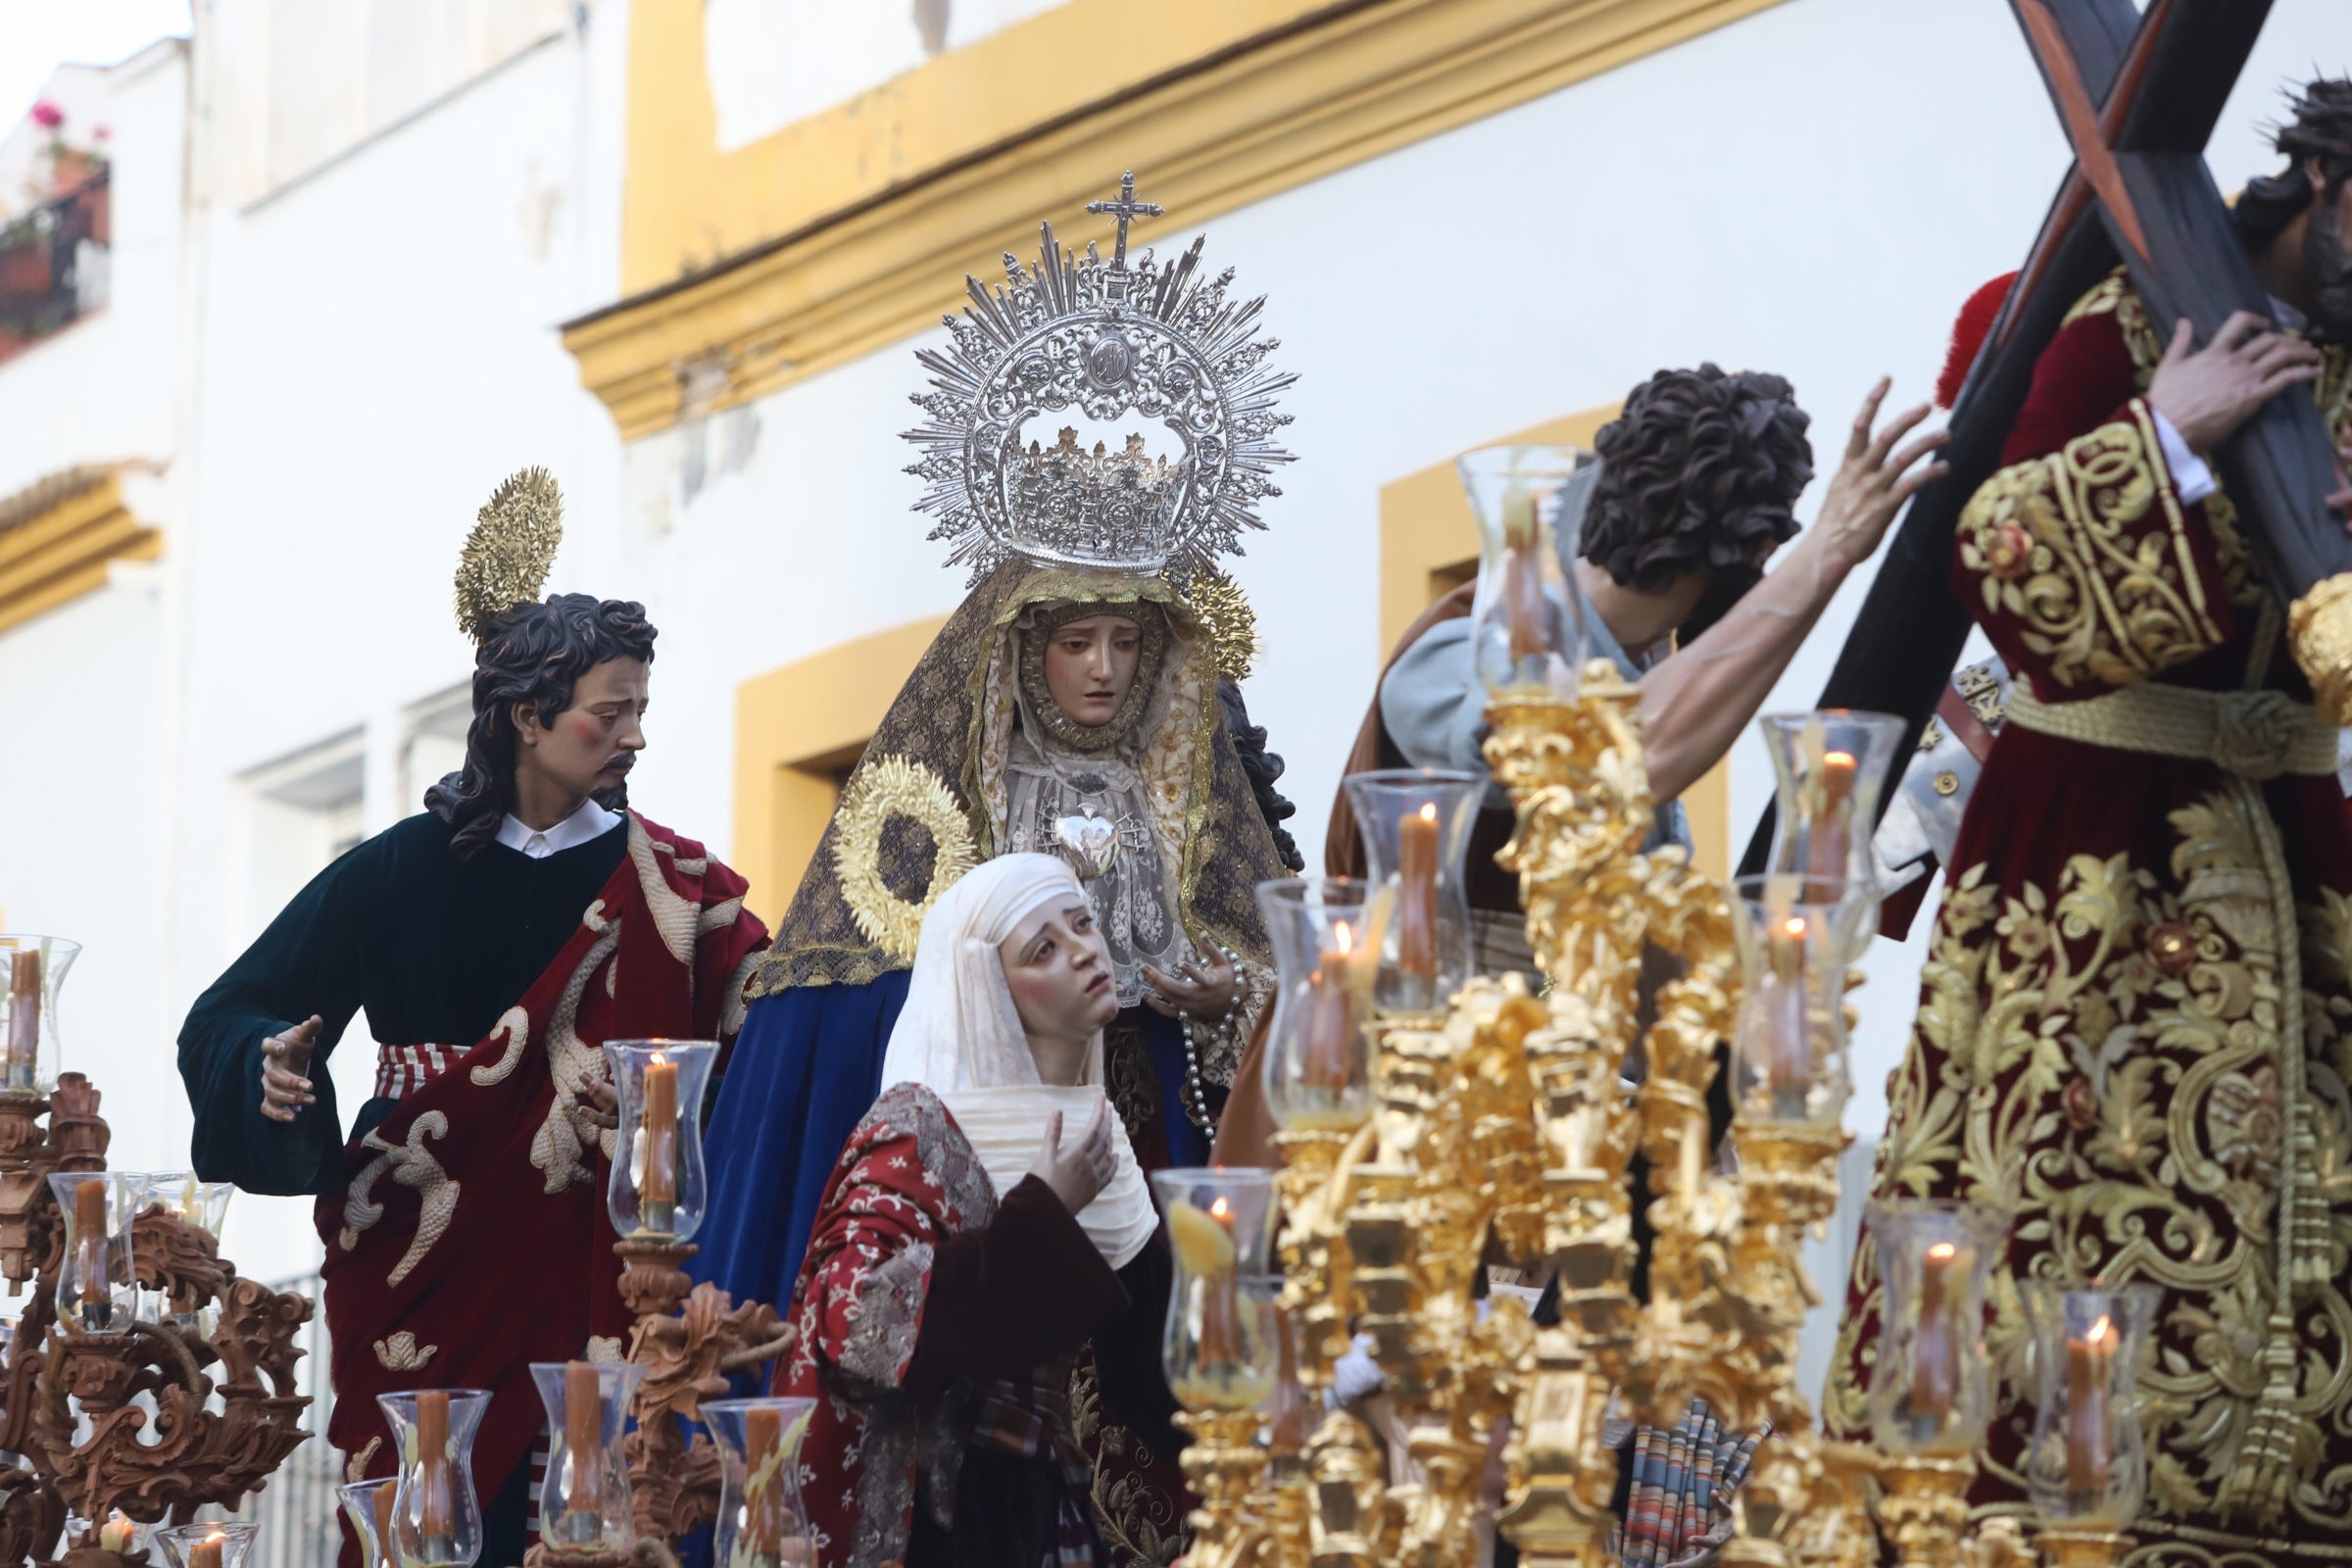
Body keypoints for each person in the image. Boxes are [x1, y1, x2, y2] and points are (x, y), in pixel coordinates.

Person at [1823, 77, 2352, 1552]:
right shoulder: (2101, 309)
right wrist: (2171, 437)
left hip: (2309, 875)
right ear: (2320, 176)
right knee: (2056, 1218)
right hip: (2094, 869)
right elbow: (2000, 565)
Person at [697, 184, 1299, 1362]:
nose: (1106, 671)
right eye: (1078, 641)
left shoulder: (1185, 798)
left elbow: (1270, 980)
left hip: (1154, 1148)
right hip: (989, 1164)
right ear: (1022, 651)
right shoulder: (948, 793)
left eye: (1130, 645)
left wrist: (1230, 1006)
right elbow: (862, 988)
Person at [176, 470, 768, 1568]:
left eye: (643, 705)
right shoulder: (392, 873)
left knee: (593, 1505)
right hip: (421, 1248)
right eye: (613, 708)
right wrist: (266, 1065)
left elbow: (772, 1023)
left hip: (603, 1252)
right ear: (529, 716)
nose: (636, 732)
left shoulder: (677, 885)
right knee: (426, 1518)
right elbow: (233, 1007)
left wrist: (665, 1097)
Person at [1215, 364, 1948, 1165]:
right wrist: (1827, 559)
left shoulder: (1651, 674)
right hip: (1375, 1115)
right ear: (1754, 550)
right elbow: (1612, 759)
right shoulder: (1456, 651)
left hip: (1546, 1117)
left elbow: (1631, 934)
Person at [779, 854, 1182, 1568]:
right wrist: (1042, 1219)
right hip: (942, 1524)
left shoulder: (1100, 1138)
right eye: (1044, 948)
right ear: (989, 989)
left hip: (1049, 1515)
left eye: (1083, 923)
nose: (1086, 949)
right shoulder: (916, 1129)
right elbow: (857, 1325)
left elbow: (1155, 1372)